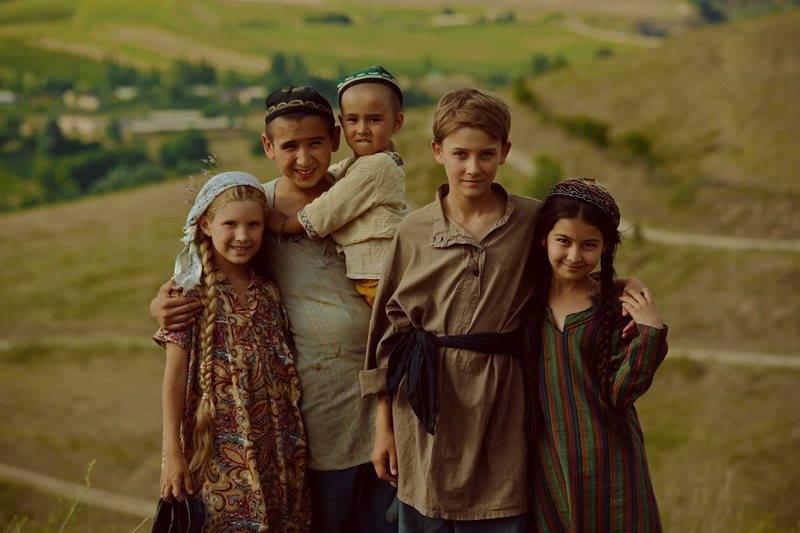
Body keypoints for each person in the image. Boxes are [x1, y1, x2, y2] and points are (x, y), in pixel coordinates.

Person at [152, 86, 396, 533]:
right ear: (268, 147)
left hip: (385, 398)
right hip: (315, 413)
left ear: (336, 140)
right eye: (289, 146)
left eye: (315, 143)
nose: (303, 158)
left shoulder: (356, 192)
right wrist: (164, 302)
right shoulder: (256, 210)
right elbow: (202, 265)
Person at [362, 88, 537, 532]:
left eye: (486, 154)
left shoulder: (532, 223)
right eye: (460, 154)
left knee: (500, 511)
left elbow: (576, 265)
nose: (473, 168)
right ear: (438, 151)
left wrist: (622, 283)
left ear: (505, 153)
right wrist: (384, 428)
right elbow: (387, 333)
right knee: (423, 510)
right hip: (425, 409)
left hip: (501, 407)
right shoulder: (414, 230)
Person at [155, 171, 310, 531]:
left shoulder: (269, 292)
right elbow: (174, 378)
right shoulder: (188, 294)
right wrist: (172, 455)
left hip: (278, 450)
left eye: (253, 225)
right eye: (231, 224)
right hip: (216, 455)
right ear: (206, 225)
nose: (243, 236)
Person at [527, 177, 668, 532]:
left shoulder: (614, 310)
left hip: (611, 467)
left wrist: (650, 335)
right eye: (564, 241)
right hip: (547, 464)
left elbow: (621, 393)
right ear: (543, 237)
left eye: (589, 244)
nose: (574, 256)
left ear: (606, 247)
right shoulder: (523, 299)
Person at [267, 66, 408, 307]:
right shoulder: (358, 166)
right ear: (343, 125)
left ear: (397, 123)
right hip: (372, 277)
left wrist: (285, 225)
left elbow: (329, 207)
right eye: (353, 120)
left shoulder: (377, 167)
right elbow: (340, 173)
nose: (362, 129)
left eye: (374, 119)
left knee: (397, 332)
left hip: (380, 275)